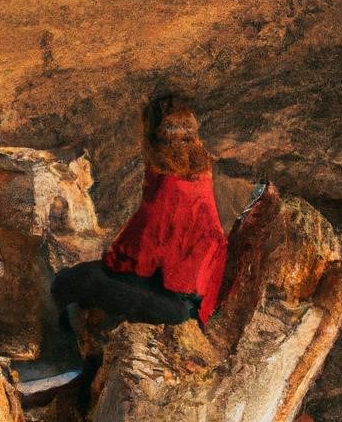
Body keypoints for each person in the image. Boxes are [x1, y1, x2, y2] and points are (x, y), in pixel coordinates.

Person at [51, 92, 229, 332]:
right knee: (88, 279)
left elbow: (144, 251)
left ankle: (76, 345)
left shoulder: (167, 181)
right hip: (195, 300)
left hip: (178, 308)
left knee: (74, 281)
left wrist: (112, 260)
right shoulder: (200, 176)